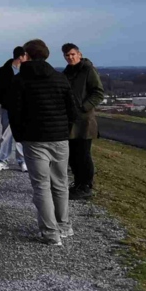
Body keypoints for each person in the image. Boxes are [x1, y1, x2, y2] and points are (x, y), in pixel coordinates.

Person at [8, 39, 79, 245]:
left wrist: (20, 135)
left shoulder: (20, 80)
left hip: (34, 138)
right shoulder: (60, 78)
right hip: (59, 138)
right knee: (60, 183)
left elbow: (15, 112)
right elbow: (72, 111)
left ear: (27, 56)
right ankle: (64, 226)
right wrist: (64, 130)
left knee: (41, 186)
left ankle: (50, 232)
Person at [62, 43, 104, 199]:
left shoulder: (88, 70)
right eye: (67, 55)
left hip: (85, 121)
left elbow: (98, 93)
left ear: (79, 54)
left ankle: (86, 186)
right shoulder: (66, 73)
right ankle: (78, 184)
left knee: (84, 155)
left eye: (73, 54)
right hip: (70, 121)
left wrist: (84, 107)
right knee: (73, 155)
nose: (70, 58)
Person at [0, 46, 29, 172]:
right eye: (26, 56)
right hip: (8, 108)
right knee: (6, 135)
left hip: (23, 109)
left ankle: (23, 161)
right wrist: (6, 102)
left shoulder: (27, 70)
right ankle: (2, 161)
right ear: (21, 56)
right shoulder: (4, 71)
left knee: (21, 136)